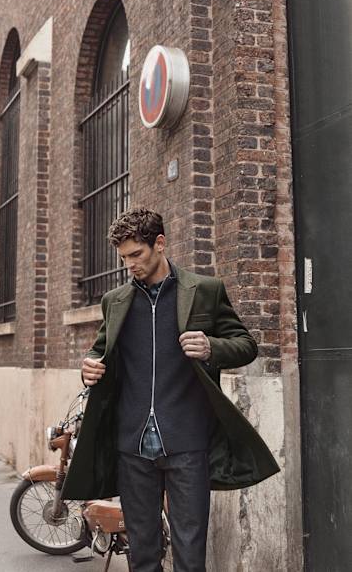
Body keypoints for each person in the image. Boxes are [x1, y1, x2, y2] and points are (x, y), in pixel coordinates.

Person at [61, 207, 279, 572]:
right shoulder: (115, 301)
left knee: (190, 555)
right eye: (124, 258)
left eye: (136, 254)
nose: (130, 264)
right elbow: (100, 352)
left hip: (187, 442)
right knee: (143, 554)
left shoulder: (204, 291)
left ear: (159, 243)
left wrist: (211, 347)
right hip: (132, 445)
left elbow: (246, 345)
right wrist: (89, 367)